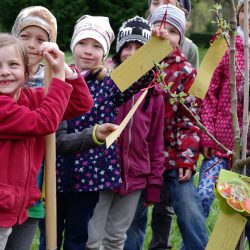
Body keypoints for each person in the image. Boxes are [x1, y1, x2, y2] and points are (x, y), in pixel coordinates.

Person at [55, 15, 154, 249]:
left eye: (97, 46)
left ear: (106, 52)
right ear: (72, 45)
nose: (88, 51)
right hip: (55, 175)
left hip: (89, 178)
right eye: (83, 43)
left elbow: (142, 75)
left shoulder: (109, 84)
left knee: (78, 238)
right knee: (49, 235)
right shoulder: (57, 78)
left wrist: (152, 49)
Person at [0, 32, 93, 250]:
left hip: (16, 207)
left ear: (26, 70)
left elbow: (80, 103)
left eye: (12, 64)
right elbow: (44, 122)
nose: (4, 71)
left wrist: (66, 70)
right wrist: (58, 77)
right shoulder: (2, 107)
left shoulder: (29, 98)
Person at [125, 1, 200, 249]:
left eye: (172, 30)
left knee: (188, 208)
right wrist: (147, 51)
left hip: (173, 157)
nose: (164, 34)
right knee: (132, 218)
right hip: (137, 157)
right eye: (158, 27)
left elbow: (190, 121)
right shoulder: (139, 64)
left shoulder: (187, 72)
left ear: (181, 37)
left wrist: (187, 159)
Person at [86, 16, 165, 250]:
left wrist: (154, 183)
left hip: (135, 176)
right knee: (92, 239)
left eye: (140, 48)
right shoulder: (104, 84)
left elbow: (156, 141)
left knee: (116, 238)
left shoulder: (154, 95)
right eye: (127, 47)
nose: (132, 53)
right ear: (119, 50)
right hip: (101, 173)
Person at [197, 0, 248, 219]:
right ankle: (194, 244)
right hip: (219, 144)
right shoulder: (226, 45)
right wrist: (207, 135)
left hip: (247, 153)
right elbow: (207, 91)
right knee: (203, 196)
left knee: (241, 215)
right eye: (246, 11)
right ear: (237, 15)